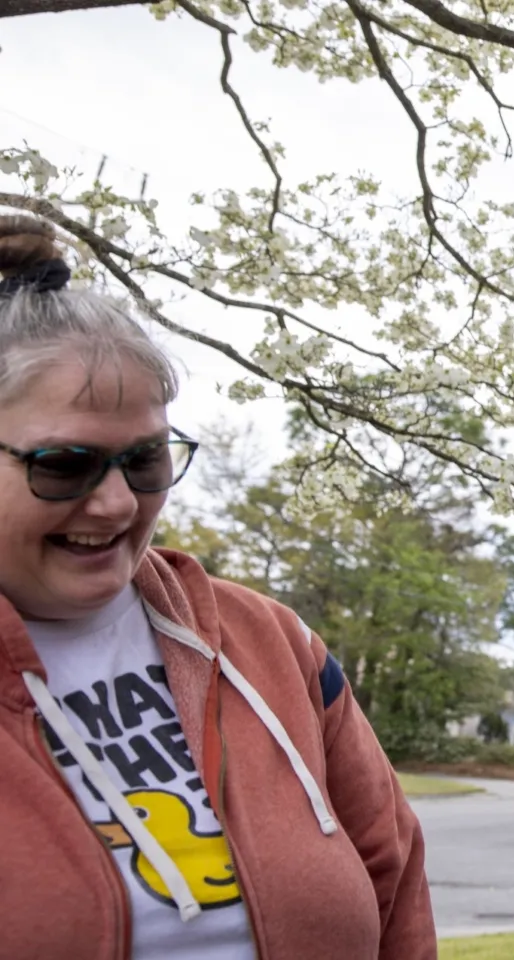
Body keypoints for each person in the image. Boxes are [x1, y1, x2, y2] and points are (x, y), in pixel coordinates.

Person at [0, 214, 436, 958]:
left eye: (145, 461)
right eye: (63, 464)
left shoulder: (272, 646)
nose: (114, 503)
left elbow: (394, 891)